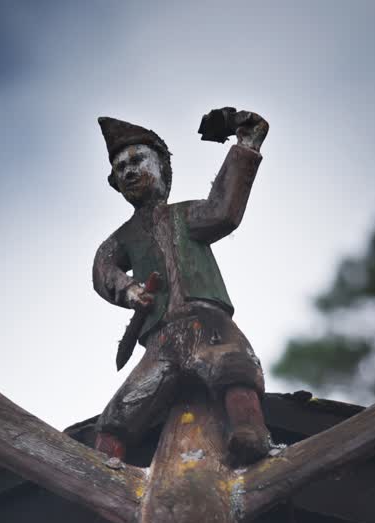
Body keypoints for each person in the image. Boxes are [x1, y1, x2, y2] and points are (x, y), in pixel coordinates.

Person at [92, 110, 271, 465]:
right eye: (120, 167)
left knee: (235, 364)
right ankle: (104, 463)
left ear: (161, 166)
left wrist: (244, 147)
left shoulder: (187, 215)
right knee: (122, 409)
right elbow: (102, 267)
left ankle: (249, 431)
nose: (128, 170)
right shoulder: (123, 239)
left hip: (209, 321)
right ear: (114, 182)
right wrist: (128, 290)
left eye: (137, 160)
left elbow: (224, 210)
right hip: (161, 340)